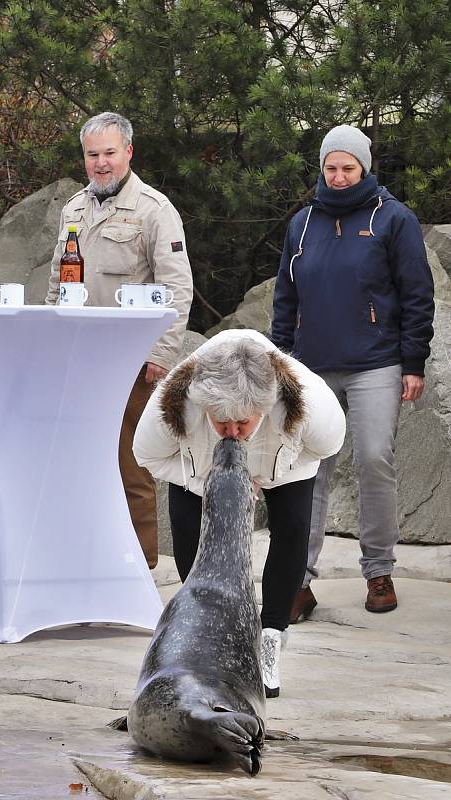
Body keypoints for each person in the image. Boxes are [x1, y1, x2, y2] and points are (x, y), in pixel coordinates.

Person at [271, 124, 434, 620]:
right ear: (321, 169)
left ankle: (379, 571)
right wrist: (281, 359)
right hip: (311, 368)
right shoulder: (302, 224)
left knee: (373, 461)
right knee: (309, 471)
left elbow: (415, 293)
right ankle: (298, 581)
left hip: (377, 364)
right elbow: (285, 295)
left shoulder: (394, 219)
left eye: (348, 167)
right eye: (331, 167)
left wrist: (413, 361)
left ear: (364, 168)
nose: (339, 176)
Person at [133, 330, 345, 697]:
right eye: (221, 423)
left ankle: (271, 636)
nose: (231, 432)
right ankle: (207, 630)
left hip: (284, 461)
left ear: (263, 407)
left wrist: (273, 475)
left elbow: (327, 447)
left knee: (293, 527)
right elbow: (147, 456)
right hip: (198, 467)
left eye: (241, 424)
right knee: (187, 532)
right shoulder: (175, 401)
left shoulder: (310, 402)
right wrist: (214, 484)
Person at [45, 112, 193, 569]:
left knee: (133, 468)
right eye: (93, 155)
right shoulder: (74, 210)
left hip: (133, 363)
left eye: (110, 153)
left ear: (128, 152)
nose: (101, 163)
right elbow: (57, 281)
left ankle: (138, 568)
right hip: (80, 359)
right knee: (82, 463)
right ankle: (91, 560)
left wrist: (160, 355)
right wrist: (50, 343)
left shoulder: (154, 209)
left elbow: (176, 287)